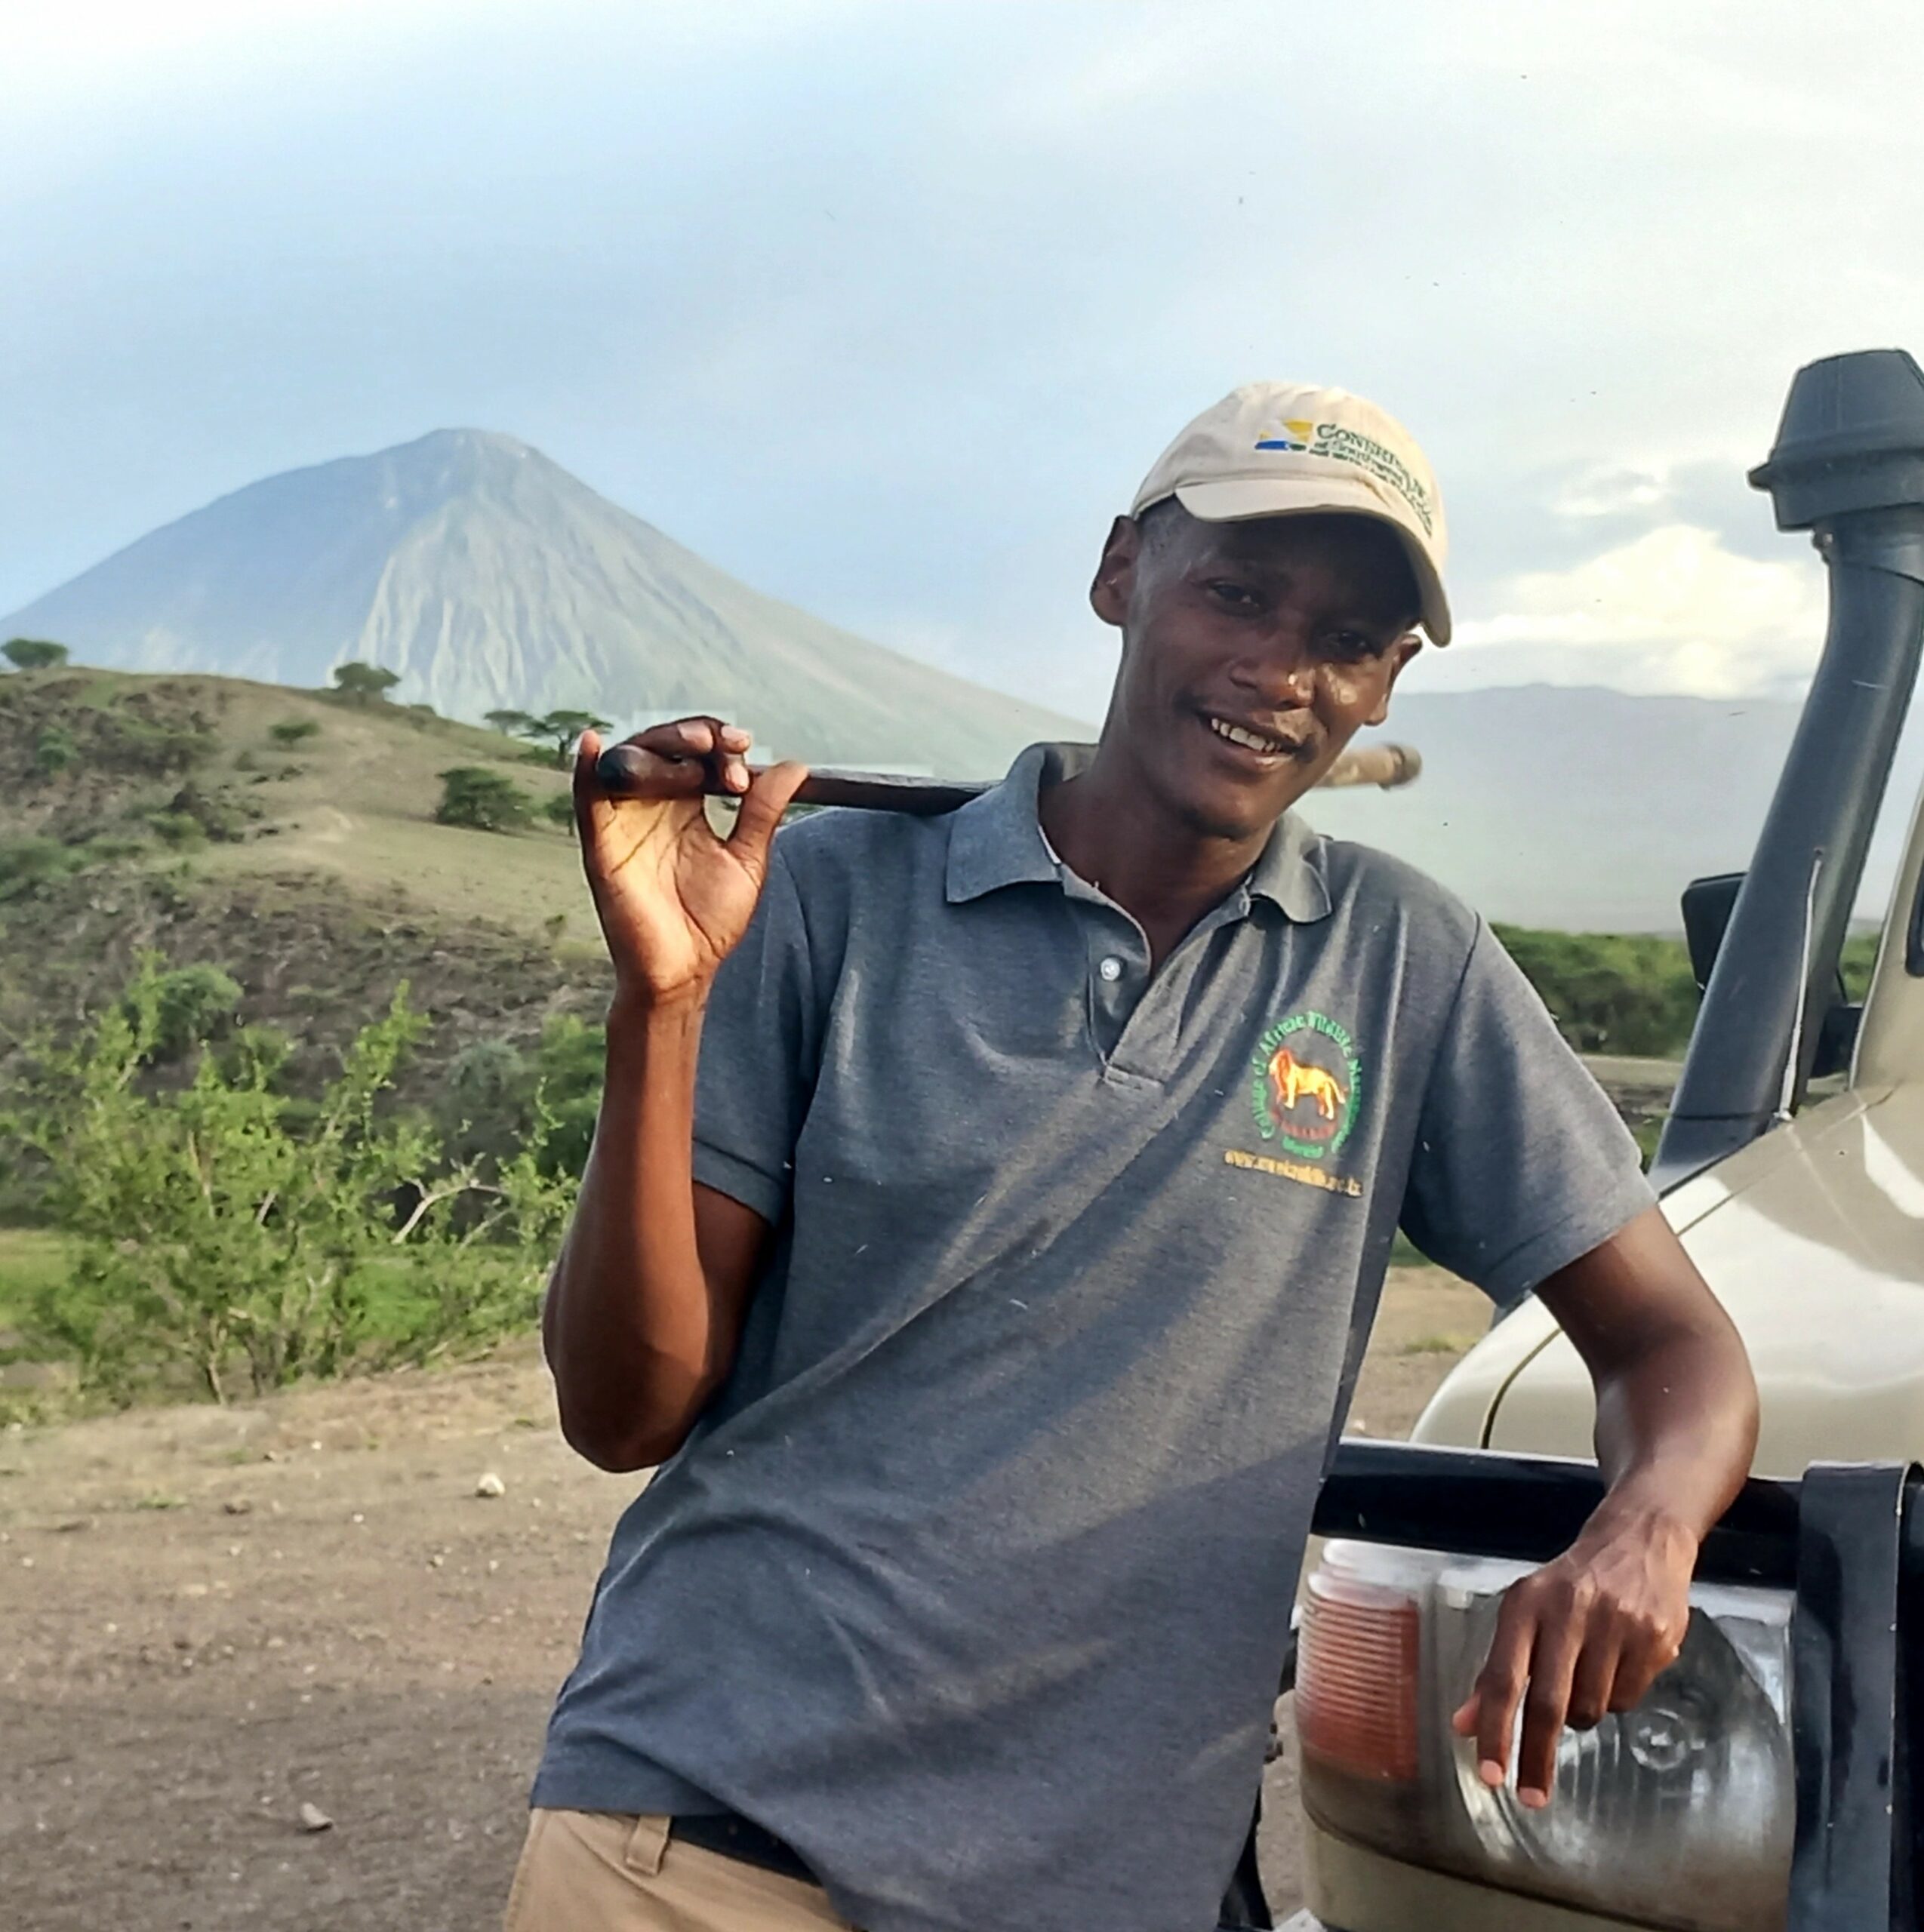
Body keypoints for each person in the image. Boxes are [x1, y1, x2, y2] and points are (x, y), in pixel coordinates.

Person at [510, 382, 1759, 1932]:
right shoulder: (833, 895)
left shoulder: (1403, 967)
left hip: (1102, 1880)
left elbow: (1678, 1345)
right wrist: (667, 999)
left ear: (1384, 688)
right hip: (708, 1841)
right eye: (1237, 591)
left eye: (1348, 638)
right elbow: (622, 1409)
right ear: (1120, 574)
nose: (1277, 669)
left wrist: (1643, 1531)